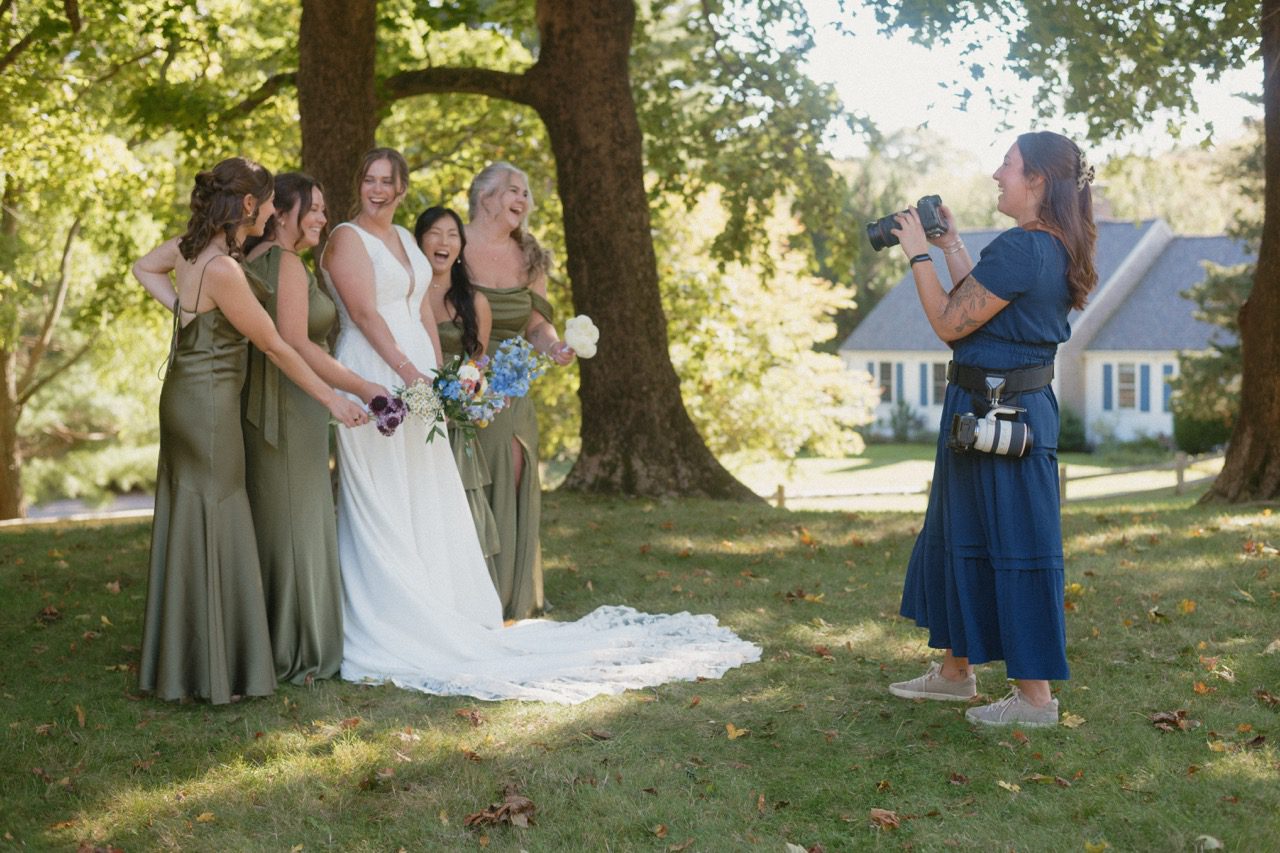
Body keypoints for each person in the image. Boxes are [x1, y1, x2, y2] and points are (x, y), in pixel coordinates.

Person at [322, 148, 759, 703]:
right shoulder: (346, 237)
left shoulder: (409, 243)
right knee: (377, 496)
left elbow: (427, 314)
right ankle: (384, 616)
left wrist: (434, 377)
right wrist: (413, 373)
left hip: (426, 382)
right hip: (375, 374)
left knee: (422, 496)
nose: (378, 189)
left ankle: (438, 605)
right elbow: (366, 314)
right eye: (370, 180)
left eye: (389, 181)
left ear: (403, 188)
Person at [132, 157, 368, 704]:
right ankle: (213, 672)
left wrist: (187, 322)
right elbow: (276, 345)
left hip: (185, 398)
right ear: (247, 207)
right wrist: (333, 398)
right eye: (266, 202)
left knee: (193, 519)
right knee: (218, 518)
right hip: (210, 410)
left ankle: (189, 663)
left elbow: (143, 268)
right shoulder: (224, 271)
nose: (270, 210)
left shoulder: (191, 250)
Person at [887, 131, 1098, 727]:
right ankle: (956, 673)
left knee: (1015, 545)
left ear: (1036, 181)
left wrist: (917, 253)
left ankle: (1035, 701)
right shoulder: (1043, 245)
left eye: (1007, 165)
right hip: (982, 409)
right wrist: (952, 245)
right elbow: (985, 308)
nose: (995, 175)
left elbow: (952, 323)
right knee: (965, 537)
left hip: (1006, 418)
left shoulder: (1025, 246)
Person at [240, 173, 388, 685]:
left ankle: (280, 640)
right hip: (290, 404)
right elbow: (298, 344)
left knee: (283, 522)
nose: (323, 218)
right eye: (315, 209)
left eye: (325, 209)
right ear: (281, 213)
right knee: (298, 526)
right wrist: (361, 386)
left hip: (273, 404)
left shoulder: (255, 260)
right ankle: (301, 650)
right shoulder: (285, 264)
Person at [464, 162, 574, 620]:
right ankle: (466, 592)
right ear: (485, 197)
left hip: (510, 383)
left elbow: (536, 323)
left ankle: (509, 596)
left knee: (511, 472)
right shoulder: (452, 241)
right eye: (514, 189)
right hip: (459, 376)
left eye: (526, 193)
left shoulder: (530, 256)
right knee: (463, 482)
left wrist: (554, 345)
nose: (523, 199)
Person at [414, 205, 500, 583]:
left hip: (453, 417)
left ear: (461, 247)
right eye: (434, 233)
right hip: (414, 409)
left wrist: (461, 399)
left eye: (452, 234)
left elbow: (477, 364)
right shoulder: (405, 295)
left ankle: (465, 586)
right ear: (419, 242)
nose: (443, 241)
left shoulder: (475, 302)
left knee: (456, 506)